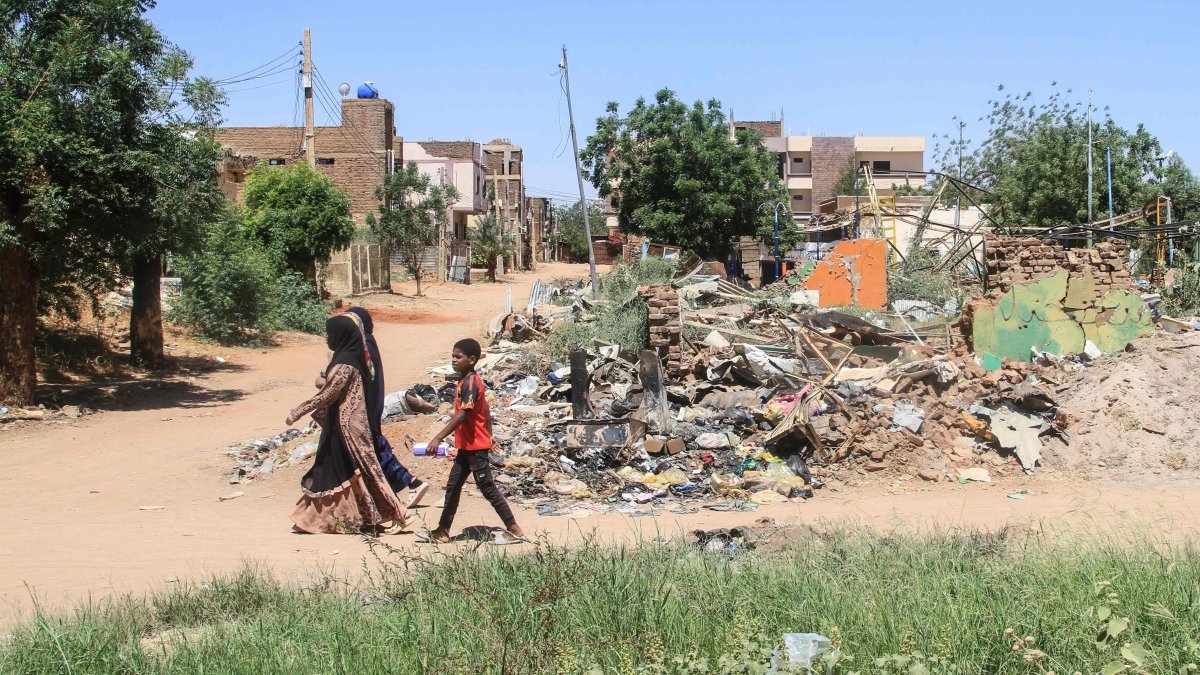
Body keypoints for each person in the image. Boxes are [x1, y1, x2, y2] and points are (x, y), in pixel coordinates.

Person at [285, 314, 408, 534]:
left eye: (330, 334)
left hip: (349, 428)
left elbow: (329, 394)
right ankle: (326, 519)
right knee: (341, 471)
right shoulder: (350, 357)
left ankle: (400, 513)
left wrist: (298, 412)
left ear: (340, 335)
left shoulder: (346, 363)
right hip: (341, 426)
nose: (327, 338)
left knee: (369, 471)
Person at [424, 338, 524, 543]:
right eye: (453, 356)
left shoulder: (470, 383)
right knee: (453, 486)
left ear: (471, 360)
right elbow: (485, 408)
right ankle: (442, 530)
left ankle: (514, 529)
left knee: (487, 487)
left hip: (475, 446)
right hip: (467, 445)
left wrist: (438, 437)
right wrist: (490, 434)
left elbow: (463, 415)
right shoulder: (467, 380)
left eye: (458, 357)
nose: (454, 360)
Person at [343, 306, 432, 509]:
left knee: (373, 448)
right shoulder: (366, 342)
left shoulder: (361, 346)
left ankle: (408, 484)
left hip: (362, 409)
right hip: (368, 406)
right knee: (372, 448)